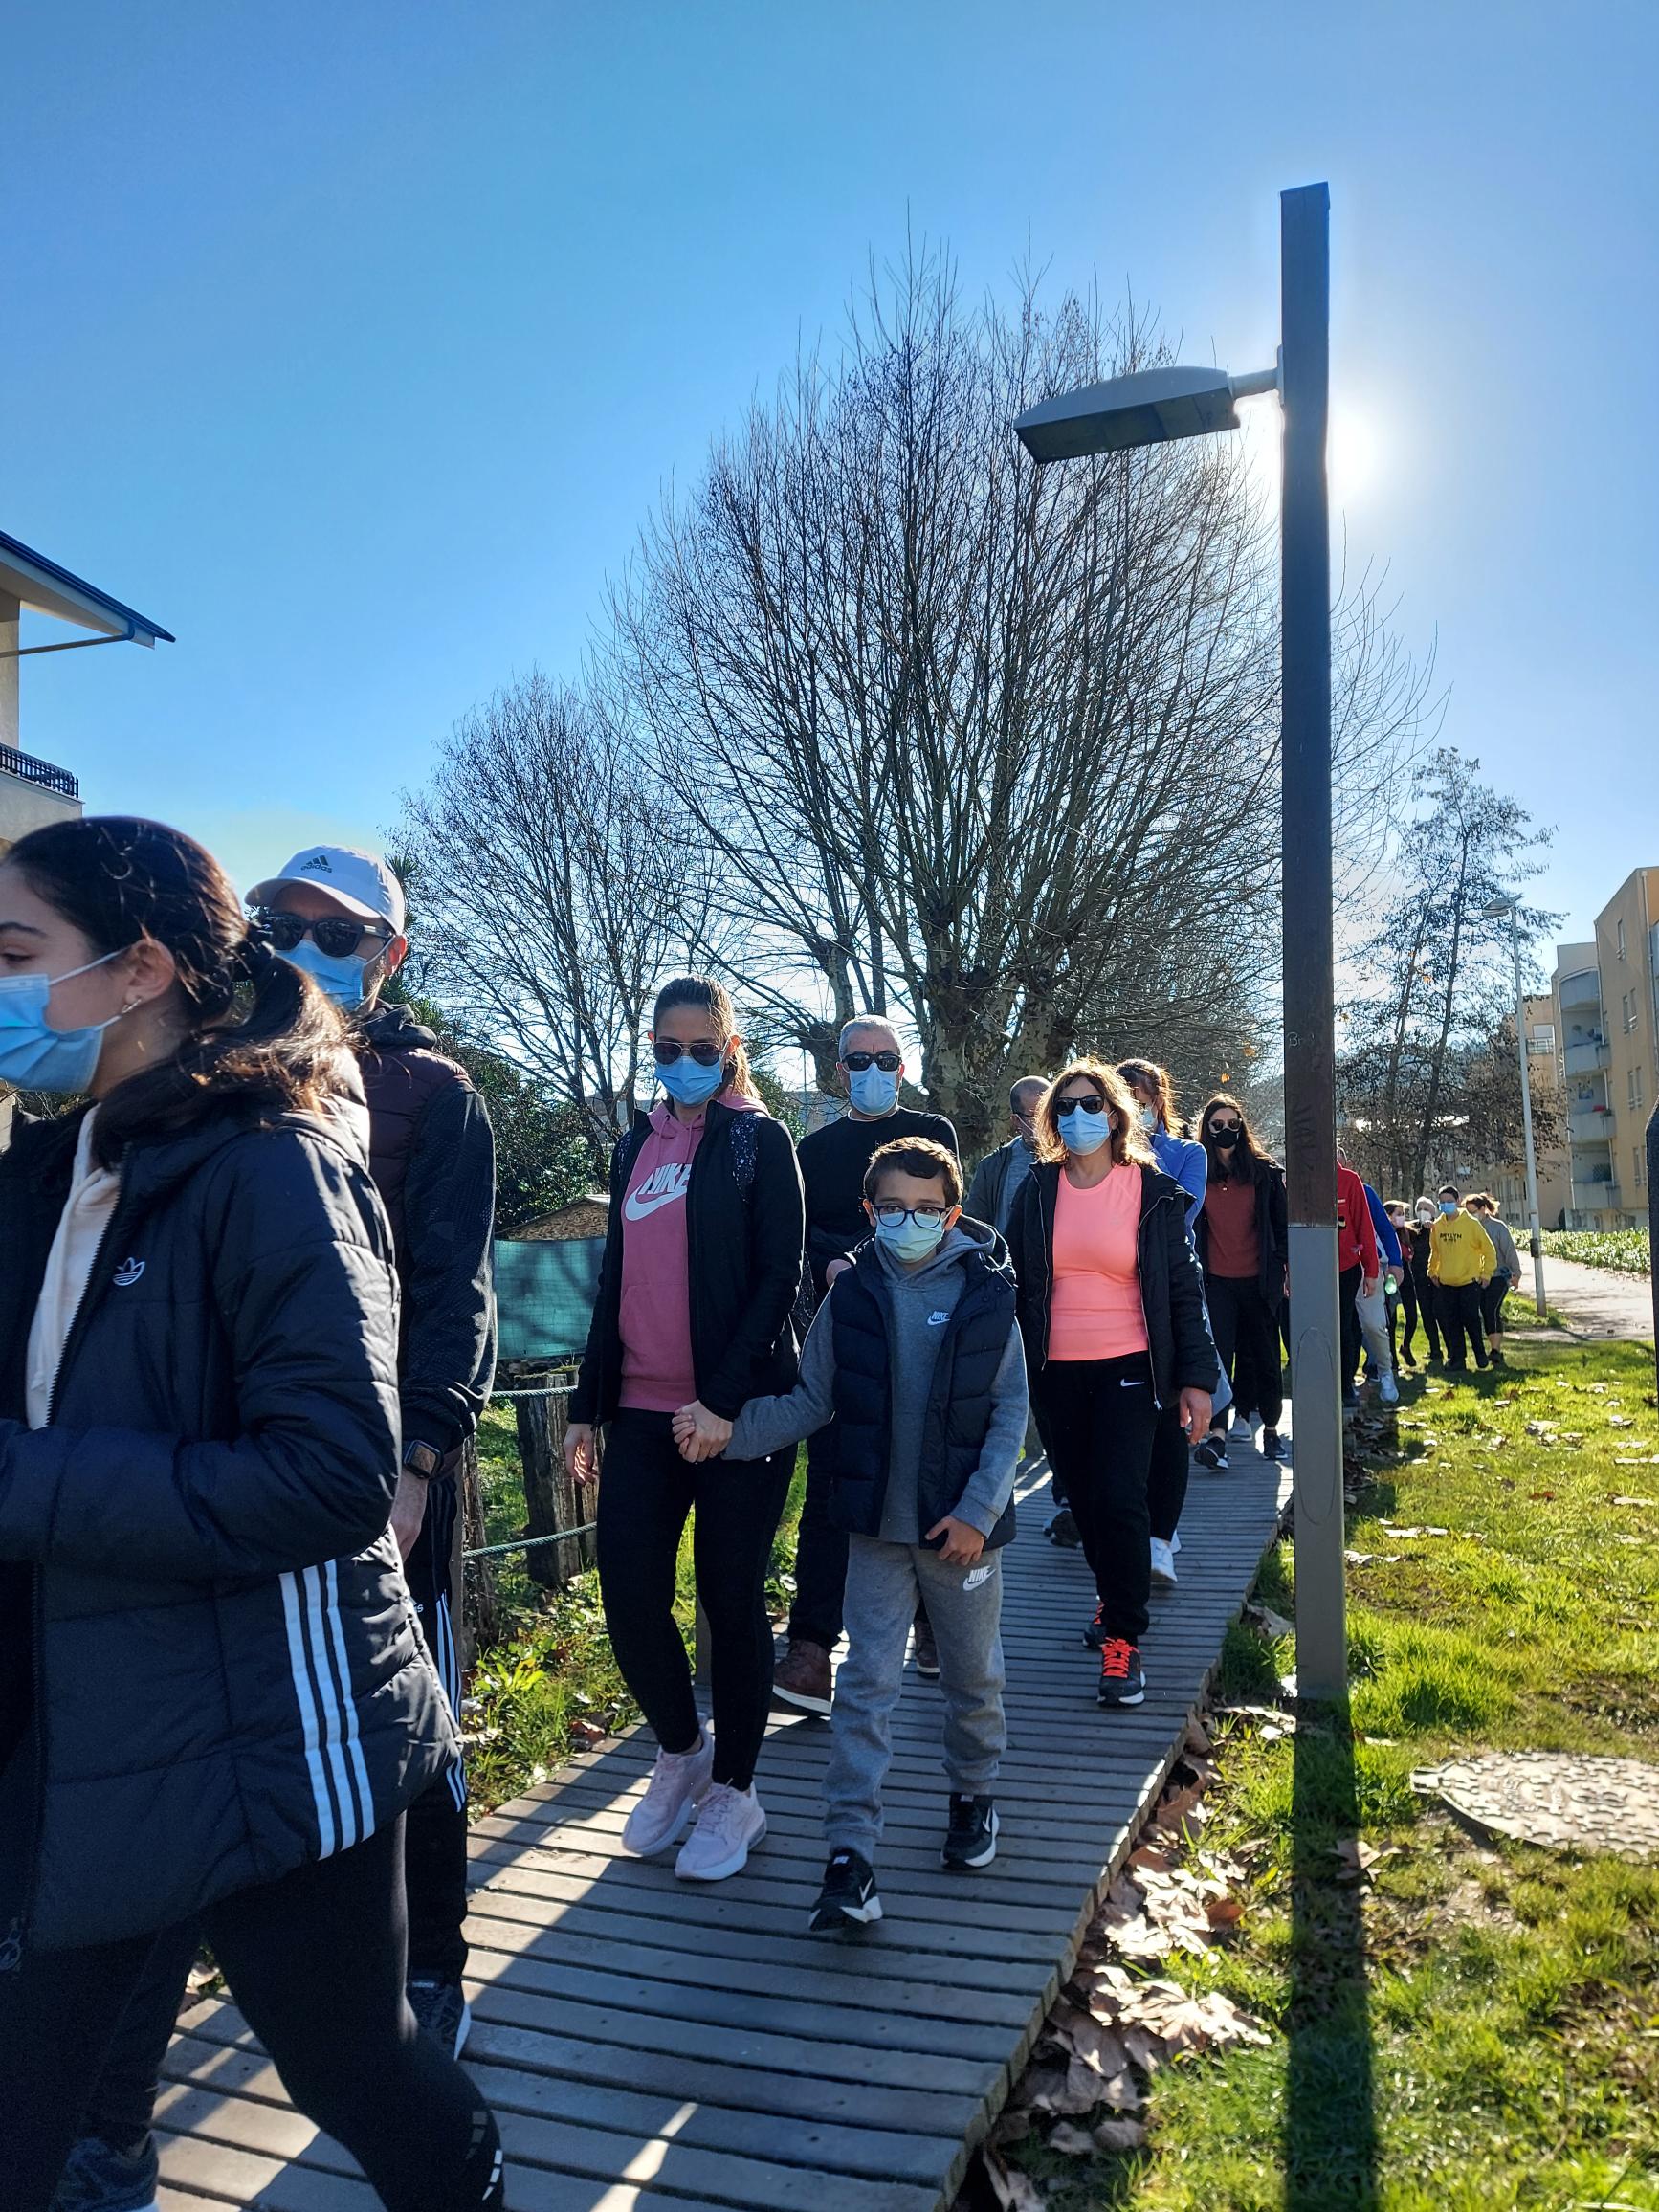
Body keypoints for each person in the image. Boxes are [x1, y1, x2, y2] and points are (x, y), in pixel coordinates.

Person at [0, 818, 503, 2212]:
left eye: (15, 952)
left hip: (270, 1723)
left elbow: (332, 1468)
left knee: (356, 2066)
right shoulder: (54, 1166)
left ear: (141, 967)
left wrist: (422, 1453)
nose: (0, 987)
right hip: (90, 1714)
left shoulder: (278, 1159)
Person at [709, 1139, 1025, 1934]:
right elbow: (809, 1401)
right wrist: (722, 1434)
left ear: (952, 1213)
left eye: (925, 1209)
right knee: (864, 1688)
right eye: (892, 1208)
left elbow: (1009, 1414)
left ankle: (973, 1796)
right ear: (868, 1210)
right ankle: (849, 1853)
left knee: (972, 1676)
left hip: (963, 1535)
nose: (908, 1220)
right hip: (875, 1532)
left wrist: (979, 1512)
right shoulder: (849, 1297)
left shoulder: (988, 1292)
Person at [565, 977, 804, 1883]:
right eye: (669, 1049)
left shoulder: (757, 1141)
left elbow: (779, 1280)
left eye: (703, 1049)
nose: (685, 1063)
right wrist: (587, 1405)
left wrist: (724, 1405)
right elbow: (615, 1279)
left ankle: (737, 1790)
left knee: (729, 1598)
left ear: (731, 1049)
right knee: (628, 1593)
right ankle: (681, 1749)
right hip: (639, 1408)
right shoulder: (636, 1142)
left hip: (734, 1415)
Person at [1010, 1061, 1216, 1709]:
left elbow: (1182, 1289)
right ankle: (1113, 1594)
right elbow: (1011, 1277)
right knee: (1084, 1501)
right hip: (1055, 1371)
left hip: (1131, 1365)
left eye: (1091, 1104)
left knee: (1122, 1498)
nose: (1079, 1116)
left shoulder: (1150, 1189)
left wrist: (1197, 1379)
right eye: (1066, 1106)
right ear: (1051, 1120)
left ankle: (1124, 1638)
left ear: (1116, 1113)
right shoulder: (1036, 1190)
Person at [772, 1015, 958, 1715]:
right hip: (843, 1336)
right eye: (859, 1060)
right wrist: (832, 1267)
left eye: (885, 1059)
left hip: (924, 1332)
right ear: (839, 1070)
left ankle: (933, 1620)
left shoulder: (932, 1132)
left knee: (927, 1472)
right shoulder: (814, 1151)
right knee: (829, 1485)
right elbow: (800, 1239)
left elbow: (947, 1220)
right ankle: (811, 1647)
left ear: (903, 1067)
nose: (872, 1070)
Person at [1117, 1059, 1233, 1585]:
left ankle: (1161, 1535)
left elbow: (1179, 1213)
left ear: (1158, 1101)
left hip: (1169, 1291)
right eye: (1124, 1099)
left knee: (1168, 1409)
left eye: (1141, 1099)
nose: (1134, 1108)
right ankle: (1137, 1525)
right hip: (1112, 1296)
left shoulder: (1187, 1154)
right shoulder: (1093, 1158)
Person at [1191, 1095, 1288, 1467]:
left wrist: (1284, 1269)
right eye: (1218, 1125)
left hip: (1259, 1281)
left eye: (1233, 1124)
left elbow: (1280, 1226)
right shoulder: (1197, 1171)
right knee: (1218, 1359)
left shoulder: (1264, 1173)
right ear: (1207, 1128)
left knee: (1266, 1357)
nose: (1226, 1131)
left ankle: (1272, 1430)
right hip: (1216, 1282)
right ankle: (1217, 1437)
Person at [1427, 1184, 1495, 1374]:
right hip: (1447, 1283)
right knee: (1452, 1323)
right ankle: (1457, 1359)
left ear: (1458, 1201)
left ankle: (1480, 1355)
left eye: (1449, 1201)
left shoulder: (1471, 1224)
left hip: (1468, 1282)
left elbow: (1488, 1250)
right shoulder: (1438, 1226)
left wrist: (1486, 1274)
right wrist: (1432, 1271)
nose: (1446, 1205)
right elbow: (1435, 1251)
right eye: (1442, 1202)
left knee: (1472, 1320)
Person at [1336, 1154, 1382, 1408]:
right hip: (1312, 1267)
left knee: (1343, 1325)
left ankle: (1345, 1385)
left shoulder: (1349, 1180)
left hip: (1346, 1267)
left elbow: (1364, 1225)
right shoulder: (1300, 1181)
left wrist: (1371, 1271)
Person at [1354, 1174, 1403, 1406]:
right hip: (1330, 1268)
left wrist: (1395, 1262)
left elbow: (1384, 1229)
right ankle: (1343, 1381)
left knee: (1373, 1324)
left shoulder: (1363, 1191)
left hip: (1367, 1266)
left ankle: (1385, 1372)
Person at [1467, 1195, 1521, 1362]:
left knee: (1491, 1309)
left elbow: (1509, 1251)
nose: (1470, 1215)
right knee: (1483, 1311)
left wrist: (1516, 1274)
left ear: (1483, 1209)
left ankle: (1495, 1350)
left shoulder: (1498, 1228)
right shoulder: (1467, 1228)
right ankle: (1489, 1348)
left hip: (1498, 1277)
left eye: (1473, 1212)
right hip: (1476, 1278)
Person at [1405, 1197, 1443, 1363]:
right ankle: (1435, 1349)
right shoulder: (1411, 1229)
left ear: (1433, 1212)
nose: (1422, 1212)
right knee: (1427, 1314)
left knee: (1441, 1314)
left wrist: (1434, 1228)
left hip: (1438, 1278)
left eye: (1426, 1209)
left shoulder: (1439, 1227)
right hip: (1419, 1278)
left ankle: (1451, 1349)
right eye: (1420, 1208)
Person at [1383, 1201, 1420, 1369]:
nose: (1402, 1217)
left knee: (1412, 1316)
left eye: (1403, 1214)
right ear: (1388, 1216)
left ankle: (1405, 1346)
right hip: (1390, 1277)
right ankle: (1392, 1358)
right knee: (1391, 1319)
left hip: (1406, 1276)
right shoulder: (1383, 1233)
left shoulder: (1406, 1232)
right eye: (1398, 1214)